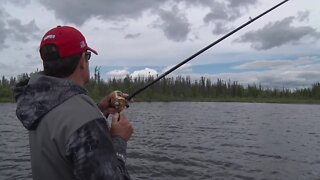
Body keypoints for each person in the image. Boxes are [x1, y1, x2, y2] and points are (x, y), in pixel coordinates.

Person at [13, 26, 133, 180]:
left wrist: (99, 109)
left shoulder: (38, 105)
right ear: (82, 61)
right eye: (87, 56)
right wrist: (119, 140)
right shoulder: (84, 120)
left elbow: (67, 131)